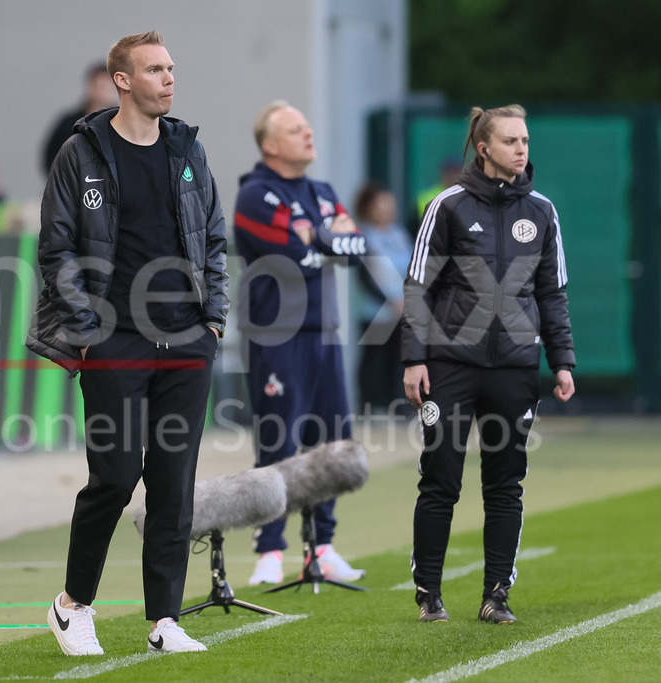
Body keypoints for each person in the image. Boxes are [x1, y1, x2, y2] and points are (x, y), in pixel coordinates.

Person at [26, 30, 228, 656]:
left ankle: (165, 619)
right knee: (114, 477)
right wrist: (87, 332)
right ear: (122, 80)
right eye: (155, 70)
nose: (169, 79)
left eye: (171, 69)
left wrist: (213, 321)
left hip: (186, 340)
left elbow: (213, 239)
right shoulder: (80, 152)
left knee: (173, 483)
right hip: (113, 339)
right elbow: (56, 249)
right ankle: (72, 605)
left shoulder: (187, 149)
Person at [402, 104, 575, 624]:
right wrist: (414, 359)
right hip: (450, 366)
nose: (522, 149)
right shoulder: (448, 206)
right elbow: (418, 287)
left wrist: (562, 360)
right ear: (484, 149)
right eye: (510, 141)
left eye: (525, 140)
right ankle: (429, 594)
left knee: (505, 484)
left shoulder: (541, 211)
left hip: (515, 369)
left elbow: (552, 293)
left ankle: (495, 595)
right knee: (441, 480)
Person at [233, 101, 367, 587]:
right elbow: (291, 254)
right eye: (295, 130)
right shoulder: (255, 195)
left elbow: (355, 248)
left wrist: (317, 237)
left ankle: (322, 546)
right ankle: (269, 550)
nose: (308, 134)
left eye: (307, 127)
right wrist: (322, 239)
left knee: (332, 445)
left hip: (324, 333)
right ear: (270, 144)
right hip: (276, 335)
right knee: (279, 443)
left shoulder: (323, 191)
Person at [354, 182, 412, 413]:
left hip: (402, 310)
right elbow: (365, 277)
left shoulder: (400, 235)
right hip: (376, 311)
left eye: (390, 206)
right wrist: (390, 300)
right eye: (381, 206)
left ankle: (395, 405)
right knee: (374, 359)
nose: (387, 211)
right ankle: (369, 406)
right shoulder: (364, 237)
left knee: (396, 360)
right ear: (369, 208)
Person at [40, 61, 116, 176]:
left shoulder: (125, 125)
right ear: (90, 87)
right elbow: (51, 157)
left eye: (108, 87)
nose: (104, 93)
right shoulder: (69, 123)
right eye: (101, 87)